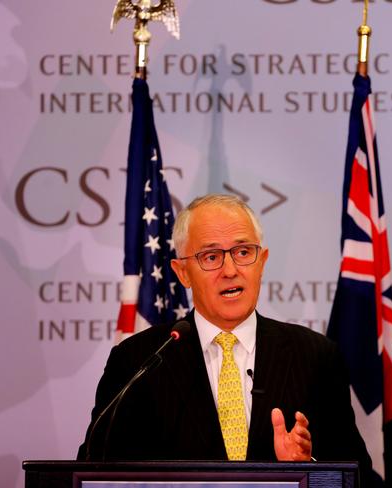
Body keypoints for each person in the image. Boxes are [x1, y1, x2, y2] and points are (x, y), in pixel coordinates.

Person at [78, 194, 372, 479]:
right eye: (211, 256)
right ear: (182, 273)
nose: (230, 270)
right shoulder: (137, 360)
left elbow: (357, 476)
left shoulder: (315, 356)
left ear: (262, 260)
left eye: (243, 252)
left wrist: (307, 467)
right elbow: (94, 470)